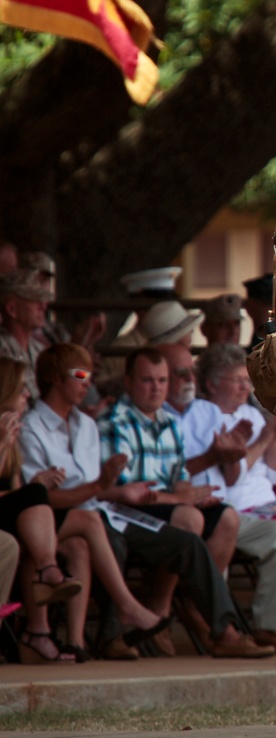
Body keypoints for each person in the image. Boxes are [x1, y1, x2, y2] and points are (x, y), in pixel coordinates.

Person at [97, 347, 273, 659]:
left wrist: (191, 494)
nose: (156, 388)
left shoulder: (168, 422)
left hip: (162, 504)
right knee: (189, 518)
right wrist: (181, 498)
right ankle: (189, 617)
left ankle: (202, 614)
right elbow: (128, 491)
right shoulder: (115, 421)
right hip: (123, 512)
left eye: (162, 380)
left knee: (226, 517)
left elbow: (178, 476)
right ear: (128, 382)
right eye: (147, 380)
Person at [20, 343, 175, 661]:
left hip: (88, 516)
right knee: (90, 525)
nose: (88, 382)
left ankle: (75, 642)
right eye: (80, 374)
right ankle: (127, 606)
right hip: (44, 518)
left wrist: (102, 486)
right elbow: (38, 497)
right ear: (53, 378)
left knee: (82, 544)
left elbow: (92, 491)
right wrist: (100, 485)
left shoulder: (86, 424)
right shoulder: (31, 427)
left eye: (91, 374)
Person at [163, 341, 276, 654]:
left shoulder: (241, 413)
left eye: (246, 380)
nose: (244, 387)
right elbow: (233, 475)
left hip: (236, 506)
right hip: (232, 508)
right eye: (236, 380)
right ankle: (249, 623)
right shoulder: (207, 413)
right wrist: (263, 439)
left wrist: (271, 437)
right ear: (212, 384)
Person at [0, 355, 83, 663]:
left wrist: (32, 485)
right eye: (21, 390)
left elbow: (16, 489)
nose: (26, 397)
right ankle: (50, 573)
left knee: (41, 503)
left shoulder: (14, 430)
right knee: (37, 497)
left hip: (13, 517)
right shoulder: (7, 433)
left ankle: (40, 632)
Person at [0, 268, 52, 402]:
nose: (43, 307)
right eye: (34, 300)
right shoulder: (3, 350)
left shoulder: (39, 351)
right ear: (12, 309)